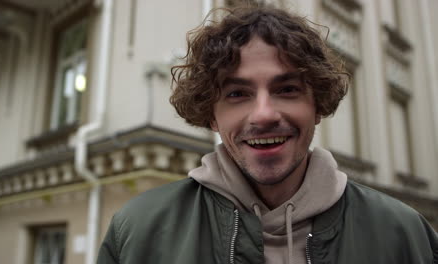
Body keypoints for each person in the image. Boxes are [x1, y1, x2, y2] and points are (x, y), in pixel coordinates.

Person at [97, 5, 438, 264]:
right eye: (237, 94)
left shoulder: (404, 234)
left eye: (287, 89)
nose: (263, 114)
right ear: (211, 116)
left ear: (317, 105)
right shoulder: (137, 231)